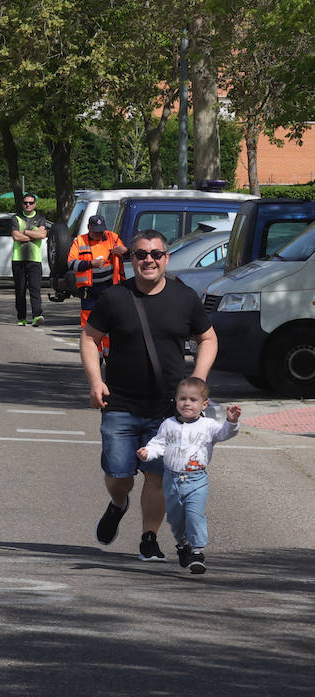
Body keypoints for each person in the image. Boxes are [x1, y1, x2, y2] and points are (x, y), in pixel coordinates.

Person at [81, 229, 218, 563]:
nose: (148, 260)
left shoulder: (184, 298)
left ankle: (148, 538)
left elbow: (209, 339)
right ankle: (118, 504)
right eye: (141, 254)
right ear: (132, 259)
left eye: (156, 254)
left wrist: (197, 379)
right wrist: (95, 381)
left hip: (166, 408)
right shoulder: (115, 298)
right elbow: (89, 338)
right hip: (121, 404)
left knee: (158, 478)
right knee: (119, 476)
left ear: (166, 258)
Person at [136, 377, 241, 575]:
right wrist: (148, 453)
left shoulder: (208, 425)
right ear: (176, 401)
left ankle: (196, 552)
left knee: (194, 515)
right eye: (182, 398)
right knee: (175, 520)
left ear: (204, 404)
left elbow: (224, 433)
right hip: (171, 479)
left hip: (196, 479)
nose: (187, 403)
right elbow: (159, 444)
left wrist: (232, 421)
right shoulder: (168, 424)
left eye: (193, 400)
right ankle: (183, 545)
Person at [70, 214, 127, 327]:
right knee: (89, 320)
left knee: (111, 318)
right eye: (96, 231)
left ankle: (108, 344)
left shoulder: (113, 238)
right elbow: (71, 264)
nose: (99, 234)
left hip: (110, 286)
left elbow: (131, 256)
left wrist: (125, 250)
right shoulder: (80, 241)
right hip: (89, 289)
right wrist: (90, 264)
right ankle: (90, 342)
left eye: (101, 231)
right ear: (89, 228)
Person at [11, 193, 48, 326]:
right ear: (22, 204)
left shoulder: (40, 218)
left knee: (35, 289)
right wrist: (34, 234)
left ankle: (37, 315)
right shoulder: (16, 218)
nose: (28, 205)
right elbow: (16, 236)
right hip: (18, 259)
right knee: (20, 290)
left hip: (35, 259)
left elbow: (43, 234)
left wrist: (25, 232)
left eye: (31, 203)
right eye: (26, 202)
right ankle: (21, 318)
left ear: (35, 204)